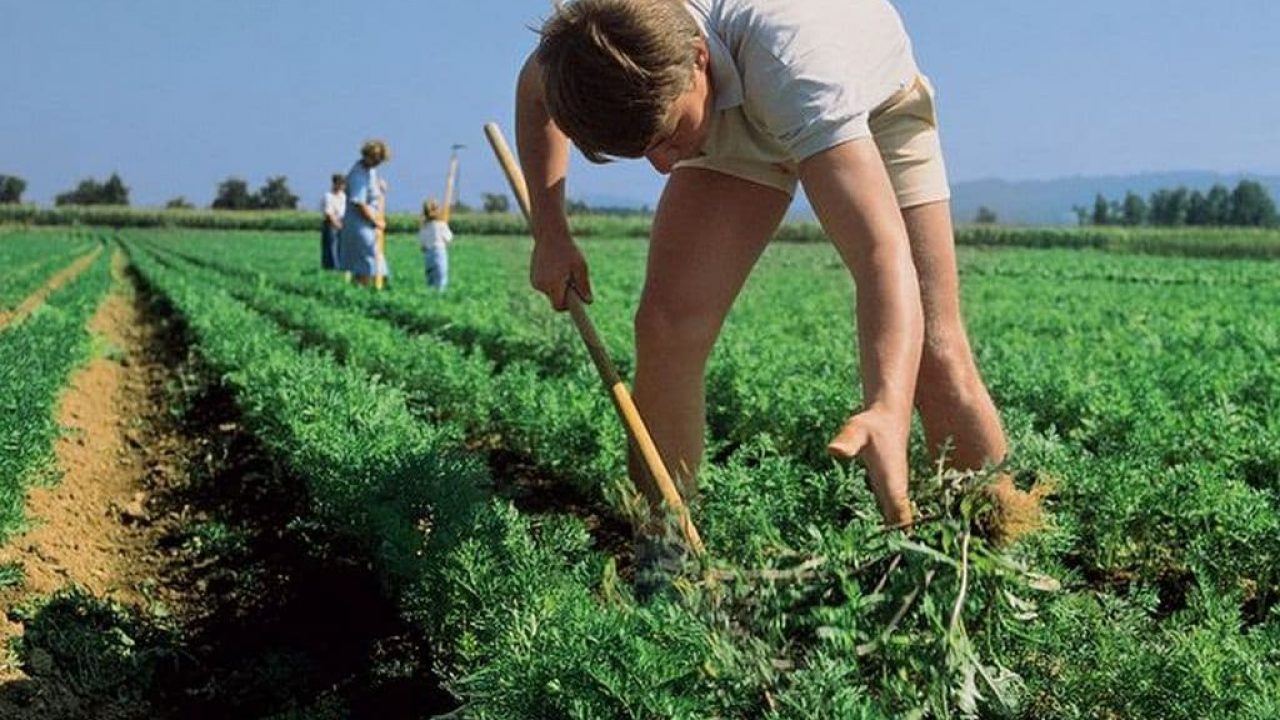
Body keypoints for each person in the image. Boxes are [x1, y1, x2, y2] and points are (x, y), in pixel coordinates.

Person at [515, 0, 1008, 544]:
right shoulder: (592, 50)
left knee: (933, 350)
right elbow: (534, 86)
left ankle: (995, 546)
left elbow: (880, 256)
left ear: (698, 58)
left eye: (667, 137)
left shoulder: (796, 63)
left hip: (870, 106)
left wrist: (887, 407)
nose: (663, 166)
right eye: (643, 152)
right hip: (727, 107)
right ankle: (667, 550)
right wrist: (550, 231)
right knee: (665, 328)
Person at [338, 139, 391, 286]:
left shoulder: (370, 171)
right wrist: (375, 221)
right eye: (376, 159)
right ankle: (364, 291)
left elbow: (373, 194)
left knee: (374, 261)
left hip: (369, 224)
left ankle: (369, 290)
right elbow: (359, 204)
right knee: (368, 261)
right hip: (359, 225)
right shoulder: (358, 175)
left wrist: (381, 189)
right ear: (367, 156)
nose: (378, 163)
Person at [418, 198, 454, 291]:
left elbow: (422, 246)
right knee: (441, 279)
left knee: (430, 280)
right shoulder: (442, 225)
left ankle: (430, 297)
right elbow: (449, 238)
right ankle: (440, 298)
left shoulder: (424, 227)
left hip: (428, 255)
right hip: (440, 252)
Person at [321, 173, 346, 270]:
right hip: (330, 224)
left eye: (343, 184)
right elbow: (329, 214)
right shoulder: (328, 196)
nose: (342, 186)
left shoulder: (343, 196)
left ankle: (340, 266)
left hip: (342, 222)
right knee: (331, 247)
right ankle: (332, 267)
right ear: (335, 184)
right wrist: (337, 225)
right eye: (340, 184)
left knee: (341, 247)